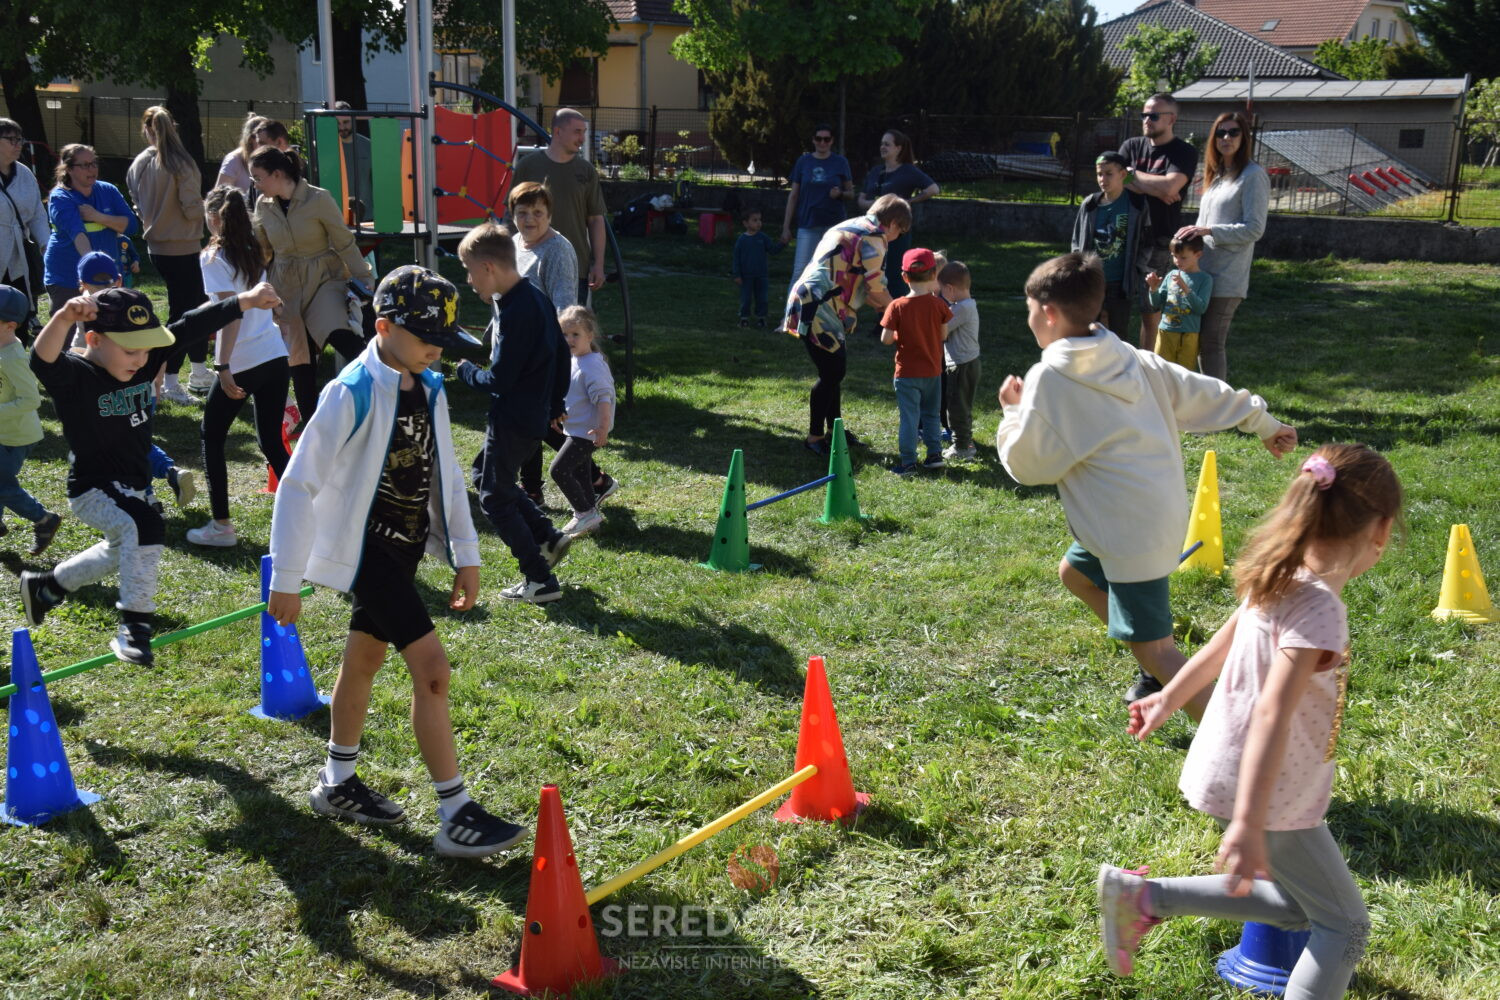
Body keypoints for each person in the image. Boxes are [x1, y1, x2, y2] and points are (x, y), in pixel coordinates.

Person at [1098, 443, 1401, 1000]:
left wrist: (1167, 699)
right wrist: (1249, 820)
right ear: (1380, 531)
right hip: (1269, 794)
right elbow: (1271, 713)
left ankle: (1142, 898)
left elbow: (1218, 647)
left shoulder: (1281, 576)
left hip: (1245, 777)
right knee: (1345, 926)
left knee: (1297, 906)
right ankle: (1142, 898)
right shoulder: (1321, 612)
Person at [267, 265, 526, 858]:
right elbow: (298, 484)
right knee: (433, 671)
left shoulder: (429, 386)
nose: (437, 350)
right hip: (369, 553)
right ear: (382, 328)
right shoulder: (350, 391)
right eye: (426, 337)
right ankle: (456, 812)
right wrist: (286, 576)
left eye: (444, 340)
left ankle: (336, 783)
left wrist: (466, 554)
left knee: (363, 660)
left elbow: (447, 473)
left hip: (406, 548)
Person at [995, 252, 1297, 717]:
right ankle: (1151, 657)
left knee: (1156, 649)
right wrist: (1263, 422)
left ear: (1049, 313)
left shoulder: (1052, 377)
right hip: (1151, 514)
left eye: (1030, 309)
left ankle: (1239, 739)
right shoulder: (1127, 355)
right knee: (1075, 573)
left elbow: (1029, 465)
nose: (1029, 318)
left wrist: (1013, 413)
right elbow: (1201, 390)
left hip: (1127, 533)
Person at [20, 283, 281, 665]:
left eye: (146, 349)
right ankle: (134, 627)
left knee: (122, 548)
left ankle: (47, 586)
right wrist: (62, 318)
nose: (141, 359)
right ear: (94, 339)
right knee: (145, 526)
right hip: (94, 488)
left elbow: (191, 324)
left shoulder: (141, 359)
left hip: (135, 486)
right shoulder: (76, 376)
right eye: (131, 350)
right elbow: (41, 361)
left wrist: (244, 301)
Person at [455, 222, 573, 604]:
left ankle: (540, 579)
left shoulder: (515, 308)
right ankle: (547, 536)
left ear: (488, 267)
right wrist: (556, 404)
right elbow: (562, 353)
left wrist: (465, 372)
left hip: (512, 418)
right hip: (532, 416)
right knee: (484, 473)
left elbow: (500, 379)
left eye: (469, 271)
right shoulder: (535, 296)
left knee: (494, 497)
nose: (469, 281)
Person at [187, 186, 291, 548]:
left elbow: (231, 314)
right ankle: (312, 516)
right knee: (271, 442)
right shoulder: (251, 247)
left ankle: (221, 526)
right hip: (274, 355)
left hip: (244, 360)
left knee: (212, 436)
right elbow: (242, 299)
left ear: (213, 217)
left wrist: (223, 366)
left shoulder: (213, 257)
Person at [250, 145, 375, 426]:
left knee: (338, 333)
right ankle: (311, 426)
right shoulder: (262, 205)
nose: (255, 185)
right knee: (299, 357)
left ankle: (384, 387)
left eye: (258, 178)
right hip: (285, 284)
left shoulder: (319, 198)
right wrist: (253, 283)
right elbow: (263, 251)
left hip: (323, 278)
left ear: (277, 174)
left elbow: (343, 241)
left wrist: (364, 278)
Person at [784, 194, 911, 457]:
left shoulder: (850, 225)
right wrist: (901, 314)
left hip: (811, 299)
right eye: (900, 231)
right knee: (832, 372)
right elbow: (877, 286)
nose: (897, 237)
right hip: (819, 305)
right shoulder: (875, 236)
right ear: (893, 223)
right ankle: (814, 437)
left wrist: (883, 307)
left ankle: (835, 430)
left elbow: (860, 280)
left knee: (833, 371)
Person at [75, 251, 196, 513]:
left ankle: (153, 488)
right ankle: (162, 481)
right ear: (119, 279)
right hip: (145, 387)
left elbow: (79, 356)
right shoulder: (136, 307)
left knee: (126, 444)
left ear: (82, 283)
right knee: (137, 440)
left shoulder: (86, 314)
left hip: (114, 393)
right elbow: (158, 347)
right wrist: (158, 380)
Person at [1173, 110, 1269, 381]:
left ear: (1244, 137)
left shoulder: (1253, 175)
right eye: (1220, 132)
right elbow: (1204, 223)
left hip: (1227, 275)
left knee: (1212, 342)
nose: (1226, 138)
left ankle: (1218, 403)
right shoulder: (1217, 175)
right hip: (1201, 272)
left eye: (1233, 132)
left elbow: (1254, 228)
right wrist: (1187, 242)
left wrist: (1209, 230)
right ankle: (1204, 399)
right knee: (1196, 340)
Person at [127, 106, 210, 404]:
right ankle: (169, 380)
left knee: (194, 308)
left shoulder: (139, 163)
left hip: (157, 247)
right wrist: (211, 208)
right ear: (173, 127)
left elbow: (135, 202)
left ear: (146, 130)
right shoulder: (181, 163)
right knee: (184, 315)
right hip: (183, 246)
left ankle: (198, 371)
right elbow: (191, 208)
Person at [1120, 94, 1197, 353]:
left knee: (1150, 311)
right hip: (1124, 235)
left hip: (1159, 239)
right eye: (1144, 115)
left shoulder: (1184, 152)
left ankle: (1148, 367)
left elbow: (1171, 187)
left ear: (1171, 119)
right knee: (1111, 305)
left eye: (1153, 115)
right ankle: (1113, 364)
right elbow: (1115, 179)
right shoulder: (1131, 146)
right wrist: (1158, 188)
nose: (1147, 120)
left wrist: (1132, 176)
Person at [511, 108, 607, 304]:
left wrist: (598, 264)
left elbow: (596, 219)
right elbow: (511, 213)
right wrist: (506, 258)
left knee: (568, 322)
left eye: (584, 132)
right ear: (557, 132)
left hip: (574, 266)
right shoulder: (528, 166)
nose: (582, 138)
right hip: (531, 264)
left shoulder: (586, 171)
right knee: (531, 321)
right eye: (577, 132)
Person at [42, 144, 138, 330]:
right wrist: (93, 270)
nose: (92, 169)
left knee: (106, 333)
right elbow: (78, 234)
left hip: (107, 276)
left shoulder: (108, 190)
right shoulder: (60, 197)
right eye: (85, 165)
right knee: (67, 334)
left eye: (94, 163)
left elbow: (131, 226)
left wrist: (97, 216)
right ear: (69, 169)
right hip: (67, 277)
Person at [0, 286, 62, 554]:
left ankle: (44, 519)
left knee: (2, 485)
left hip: (15, 436)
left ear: (9, 325)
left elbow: (31, 400)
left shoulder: (13, 357)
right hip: (4, 432)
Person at [880, 247, 950, 474]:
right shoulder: (939, 305)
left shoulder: (896, 306)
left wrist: (900, 333)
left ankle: (908, 461)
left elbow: (885, 339)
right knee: (931, 415)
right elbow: (944, 334)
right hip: (933, 371)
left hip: (907, 373)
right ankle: (934, 454)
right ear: (933, 275)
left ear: (904, 277)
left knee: (910, 417)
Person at [550, 305, 616, 538]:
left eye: (575, 334)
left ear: (590, 335)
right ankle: (591, 518)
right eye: (565, 334)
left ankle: (584, 513)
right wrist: (557, 415)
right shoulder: (575, 360)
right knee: (580, 471)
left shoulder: (592, 365)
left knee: (559, 470)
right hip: (576, 429)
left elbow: (604, 399)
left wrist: (602, 428)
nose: (569, 339)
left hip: (588, 432)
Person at [1072, 152, 1152, 337]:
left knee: (1118, 334)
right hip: (1092, 280)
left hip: (1120, 282)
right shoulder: (1090, 204)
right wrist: (1079, 268)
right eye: (1099, 174)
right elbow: (1077, 241)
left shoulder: (1137, 204)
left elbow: (1147, 241)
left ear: (1123, 174)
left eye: (1109, 173)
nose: (1103, 179)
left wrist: (1137, 269)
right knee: (1087, 332)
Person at [857, 130, 938, 301]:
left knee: (894, 274)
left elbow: (933, 189)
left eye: (887, 144)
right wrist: (879, 205)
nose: (883, 147)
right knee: (874, 273)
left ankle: (898, 310)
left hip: (897, 232)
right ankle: (881, 312)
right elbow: (861, 200)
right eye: (882, 144)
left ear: (899, 148)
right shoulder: (876, 171)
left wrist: (909, 201)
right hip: (873, 230)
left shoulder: (908, 170)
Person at [781, 124, 853, 296]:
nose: (822, 143)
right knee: (800, 272)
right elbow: (793, 195)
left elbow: (851, 193)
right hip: (808, 224)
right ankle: (791, 311)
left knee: (832, 273)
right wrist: (786, 227)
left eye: (826, 139)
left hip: (834, 227)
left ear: (832, 141)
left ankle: (827, 311)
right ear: (813, 140)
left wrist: (840, 194)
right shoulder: (803, 161)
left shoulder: (840, 162)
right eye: (819, 139)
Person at [0, 118, 51, 336]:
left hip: (20, 257)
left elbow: (37, 214)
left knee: (18, 311)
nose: (18, 144)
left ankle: (18, 350)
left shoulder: (24, 173)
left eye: (19, 139)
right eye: (11, 139)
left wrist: (46, 244)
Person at [1146, 234, 1212, 371]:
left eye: (1183, 257)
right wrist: (1153, 289)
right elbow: (1156, 304)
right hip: (1166, 332)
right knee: (1161, 370)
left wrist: (1185, 289)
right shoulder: (1171, 275)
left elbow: (1201, 308)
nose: (1177, 261)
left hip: (1189, 335)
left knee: (1184, 374)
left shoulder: (1205, 279)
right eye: (1174, 256)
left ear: (1198, 255)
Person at [938, 260, 980, 462]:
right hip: (969, 363)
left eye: (941, 291)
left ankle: (962, 447)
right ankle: (966, 442)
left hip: (961, 365)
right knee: (962, 405)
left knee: (956, 408)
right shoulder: (966, 305)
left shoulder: (961, 309)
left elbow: (941, 330)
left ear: (950, 289)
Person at [731, 208, 786, 328]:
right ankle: (744, 318)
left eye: (759, 220)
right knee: (746, 298)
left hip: (761, 275)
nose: (758, 223)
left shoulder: (763, 237)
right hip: (746, 276)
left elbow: (773, 250)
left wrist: (782, 243)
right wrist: (737, 274)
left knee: (762, 298)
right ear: (746, 223)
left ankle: (761, 318)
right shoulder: (741, 240)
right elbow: (736, 259)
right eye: (754, 220)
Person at [333, 101, 373, 226]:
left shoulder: (369, 145)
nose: (342, 127)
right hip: (335, 215)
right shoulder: (327, 148)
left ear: (353, 120)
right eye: (338, 123)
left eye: (346, 122)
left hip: (367, 216)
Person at [216, 114, 270, 195]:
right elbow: (219, 196)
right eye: (263, 141)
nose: (269, 145)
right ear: (251, 139)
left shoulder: (268, 158)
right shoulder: (233, 160)